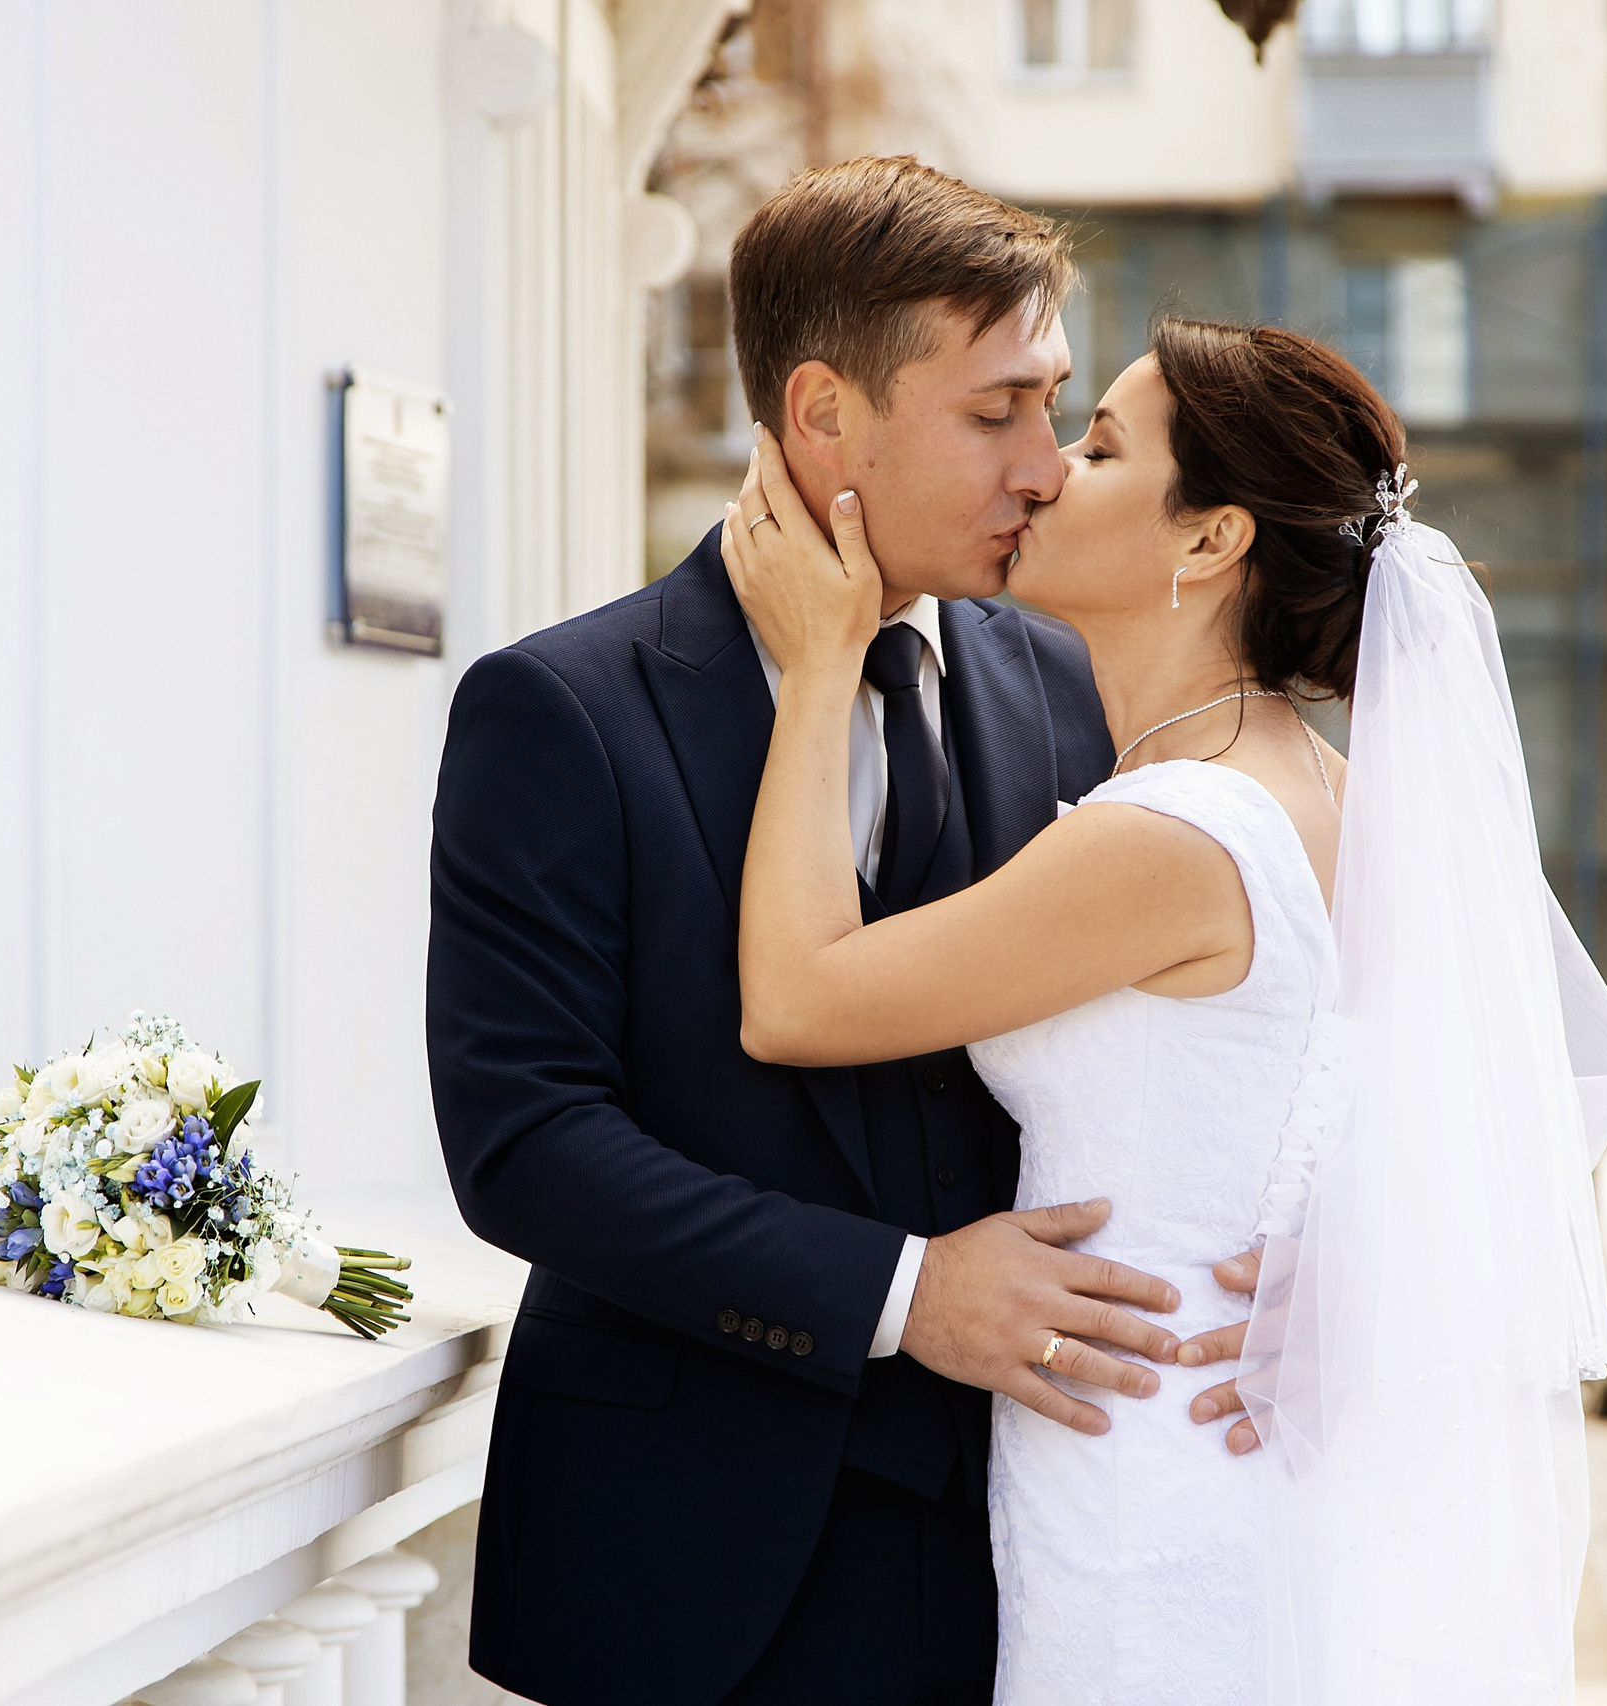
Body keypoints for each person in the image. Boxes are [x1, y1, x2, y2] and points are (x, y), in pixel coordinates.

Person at [721, 316, 1607, 1703]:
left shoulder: (1170, 834)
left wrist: (814, 668)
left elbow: (796, 999)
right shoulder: (1345, 801)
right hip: (1238, 1466)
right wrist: (1340, 1289)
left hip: (1149, 1503)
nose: (1042, 472)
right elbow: (1485, 1131)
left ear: (1210, 540)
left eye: (1097, 446)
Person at [427, 158, 1258, 1706]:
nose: (1045, 467)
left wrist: (1292, 1264)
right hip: (684, 1571)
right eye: (995, 410)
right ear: (823, 416)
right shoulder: (561, 712)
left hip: (1038, 1546)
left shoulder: (1075, 691)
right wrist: (900, 1289)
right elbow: (521, 1140)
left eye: (1057, 403)